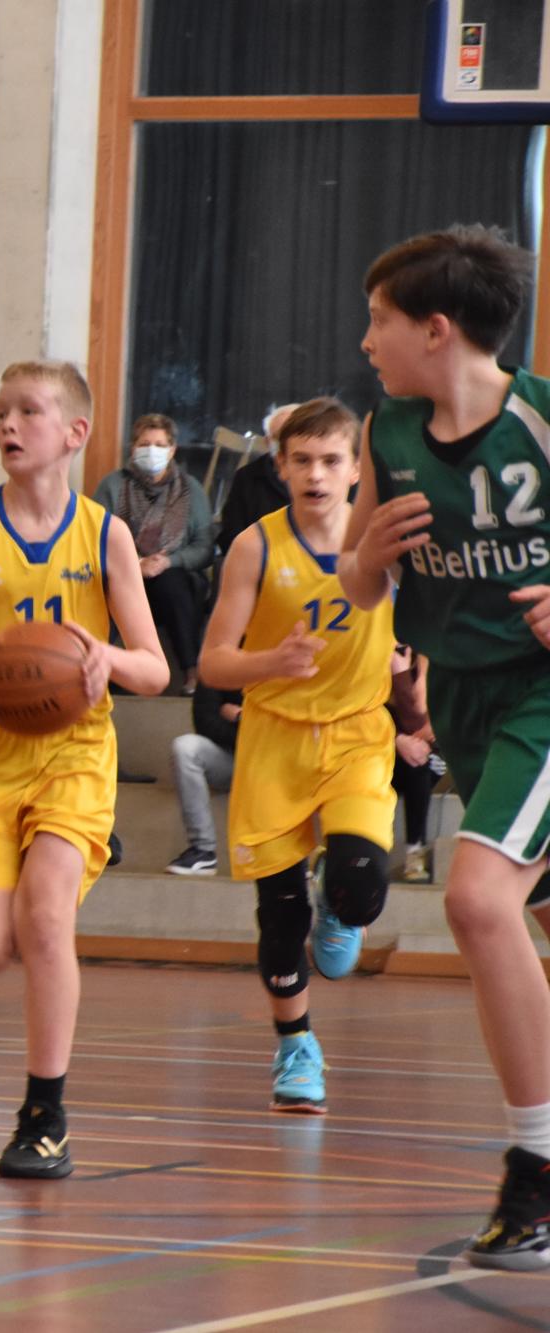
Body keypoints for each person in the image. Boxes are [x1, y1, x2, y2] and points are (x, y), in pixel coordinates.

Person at [0, 360, 168, 1180]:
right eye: (1, 412)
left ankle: (45, 1115)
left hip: (75, 751)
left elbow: (155, 668)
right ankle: (31, 896)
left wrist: (106, 661)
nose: (9, 425)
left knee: (45, 919)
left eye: (28, 412)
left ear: (75, 433)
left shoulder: (106, 534)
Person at [339, 225, 550, 1269]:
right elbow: (357, 581)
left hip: (542, 694)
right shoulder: (385, 431)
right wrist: (369, 557)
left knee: (476, 900)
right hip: (461, 697)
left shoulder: (541, 420)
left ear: (435, 330)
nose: (364, 340)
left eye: (377, 320)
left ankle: (536, 1170)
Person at [200, 397, 396, 1116]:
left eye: (331, 460)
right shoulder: (255, 547)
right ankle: (296, 1045)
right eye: (302, 460)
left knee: (359, 885)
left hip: (355, 734)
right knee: (279, 918)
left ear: (355, 471)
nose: (316, 474)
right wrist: (271, 662)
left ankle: (342, 905)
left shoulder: (384, 542)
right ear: (279, 467)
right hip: (275, 737)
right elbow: (214, 663)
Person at [93, 414, 215, 692]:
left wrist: (169, 561)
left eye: (160, 445)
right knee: (108, 586)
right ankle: (101, 665)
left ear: (172, 450)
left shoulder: (191, 489)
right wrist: (135, 564)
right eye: (145, 444)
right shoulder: (112, 485)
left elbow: (204, 547)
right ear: (133, 447)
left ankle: (192, 671)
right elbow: (95, 536)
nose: (152, 450)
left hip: (172, 575)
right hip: (123, 572)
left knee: (173, 585)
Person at [165, 682, 242, 876]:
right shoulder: (219, 666)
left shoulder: (285, 666)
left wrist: (242, 717)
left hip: (273, 762)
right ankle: (203, 851)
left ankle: (293, 857)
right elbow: (205, 723)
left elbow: (283, 729)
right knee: (185, 747)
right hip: (232, 760)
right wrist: (253, 727)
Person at [216, 403, 299, 558]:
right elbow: (231, 534)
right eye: (279, 436)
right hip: (258, 561)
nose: (286, 442)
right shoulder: (247, 478)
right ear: (268, 441)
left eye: (293, 434)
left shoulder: (320, 478)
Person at [388, 643, 440, 884]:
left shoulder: (429, 662)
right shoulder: (375, 662)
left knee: (419, 763)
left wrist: (406, 677)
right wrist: (397, 740)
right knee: (416, 762)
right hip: (381, 756)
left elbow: (419, 721)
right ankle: (410, 851)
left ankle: (414, 852)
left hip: (425, 758)